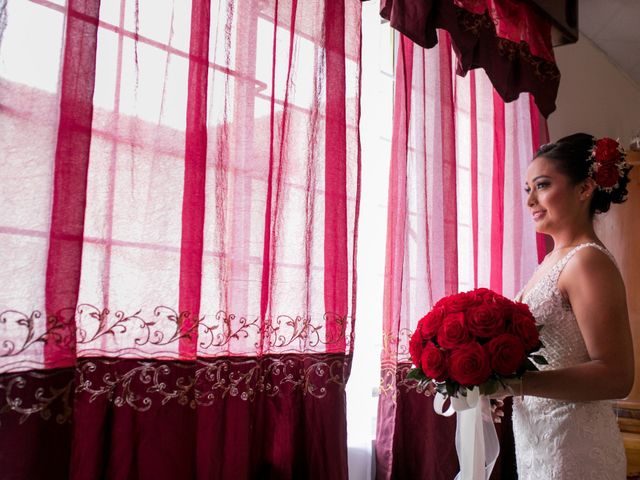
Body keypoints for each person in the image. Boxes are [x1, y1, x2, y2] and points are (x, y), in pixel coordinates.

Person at [500, 133, 635, 479]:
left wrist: (514, 384)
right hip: (538, 442)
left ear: (585, 188)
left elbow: (616, 376)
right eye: (527, 188)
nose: (530, 200)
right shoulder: (549, 262)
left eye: (542, 185)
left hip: (575, 450)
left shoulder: (587, 261)